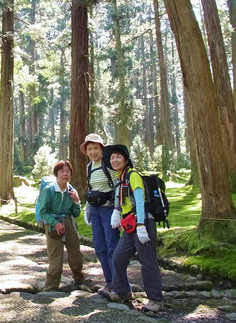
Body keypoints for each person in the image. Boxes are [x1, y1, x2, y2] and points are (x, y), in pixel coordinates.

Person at [101, 144, 163, 312]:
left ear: (126, 160)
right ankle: (123, 292)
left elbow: (140, 200)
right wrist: (116, 212)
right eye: (112, 158)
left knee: (147, 261)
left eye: (118, 157)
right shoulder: (120, 179)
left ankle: (155, 299)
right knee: (118, 257)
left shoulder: (132, 175)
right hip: (129, 226)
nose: (114, 160)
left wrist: (142, 224)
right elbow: (119, 199)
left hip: (142, 223)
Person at [38, 160, 89, 291]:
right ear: (56, 174)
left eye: (68, 171)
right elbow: (43, 212)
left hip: (69, 223)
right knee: (55, 257)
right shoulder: (49, 190)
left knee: (75, 254)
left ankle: (79, 279)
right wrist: (55, 223)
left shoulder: (72, 190)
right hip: (52, 224)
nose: (65, 174)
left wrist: (77, 201)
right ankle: (51, 287)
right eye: (62, 171)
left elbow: (76, 213)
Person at [79, 133, 120, 292]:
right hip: (95, 210)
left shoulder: (108, 164)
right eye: (89, 149)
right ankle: (109, 282)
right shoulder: (89, 166)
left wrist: (117, 210)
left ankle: (119, 283)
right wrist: (87, 208)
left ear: (102, 149)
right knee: (99, 246)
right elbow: (91, 188)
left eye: (95, 148)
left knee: (112, 244)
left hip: (109, 208)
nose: (92, 152)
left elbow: (117, 187)